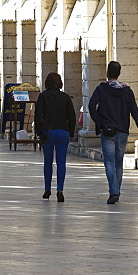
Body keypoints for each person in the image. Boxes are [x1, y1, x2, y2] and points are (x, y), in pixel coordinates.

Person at [88, 61, 138, 204]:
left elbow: (91, 105)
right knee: (119, 163)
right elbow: (134, 110)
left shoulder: (102, 88)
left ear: (108, 72)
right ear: (119, 73)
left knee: (108, 161)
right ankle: (116, 191)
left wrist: (99, 123)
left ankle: (113, 191)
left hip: (107, 130)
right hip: (122, 131)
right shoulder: (127, 91)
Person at [34, 72, 77, 203]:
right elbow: (72, 117)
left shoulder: (43, 96)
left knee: (48, 162)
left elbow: (38, 116)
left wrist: (38, 132)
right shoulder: (65, 97)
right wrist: (70, 132)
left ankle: (47, 190)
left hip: (48, 132)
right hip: (63, 132)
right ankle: (60, 190)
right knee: (61, 162)